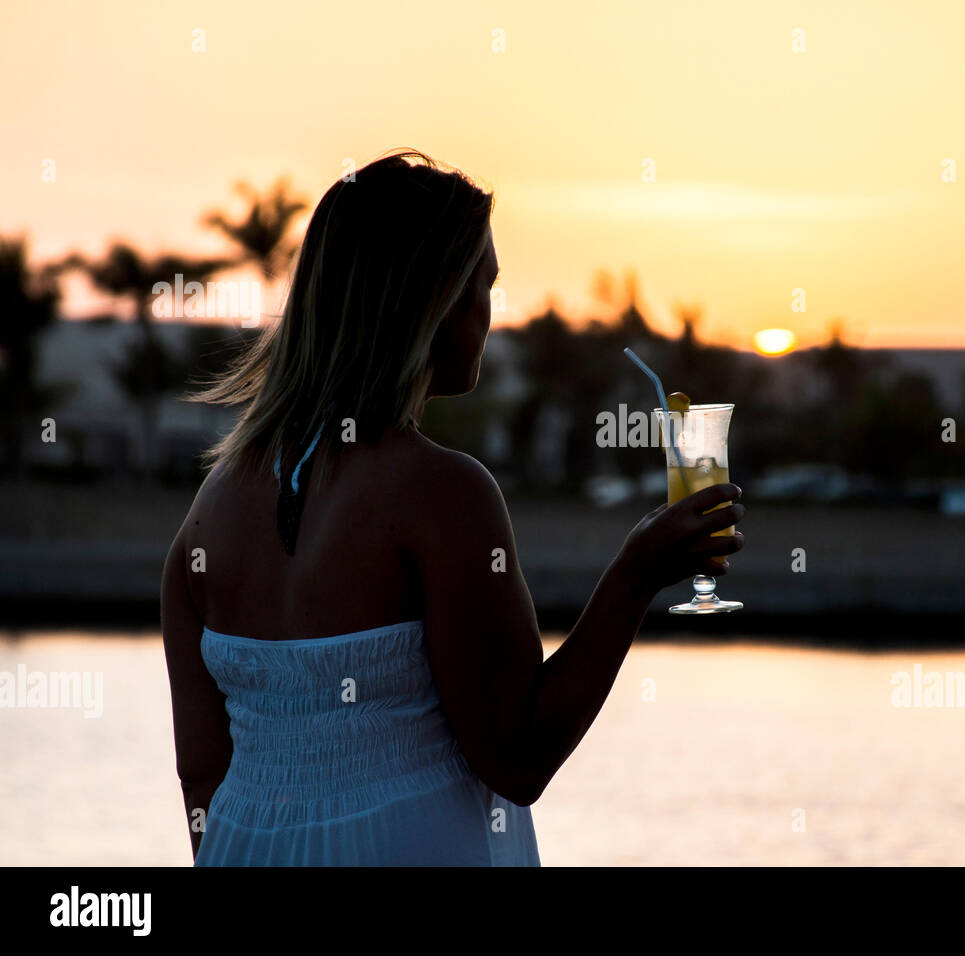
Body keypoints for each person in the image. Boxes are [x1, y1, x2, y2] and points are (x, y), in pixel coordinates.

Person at [160, 150, 745, 865]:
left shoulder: (208, 512)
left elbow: (201, 776)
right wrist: (634, 577)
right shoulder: (443, 494)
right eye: (484, 286)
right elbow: (519, 756)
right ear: (430, 300)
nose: (490, 317)